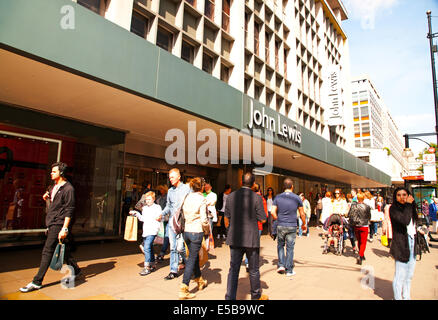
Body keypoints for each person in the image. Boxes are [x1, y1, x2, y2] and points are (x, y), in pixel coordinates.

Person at [20, 162, 81, 293]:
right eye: (51, 171)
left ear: (61, 173)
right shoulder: (54, 186)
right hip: (51, 221)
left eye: (54, 171)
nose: (51, 173)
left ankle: (37, 282)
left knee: (48, 250)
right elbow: (51, 196)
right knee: (62, 247)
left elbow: (69, 209)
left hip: (58, 223)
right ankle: (75, 269)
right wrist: (46, 196)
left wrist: (65, 228)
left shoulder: (68, 189)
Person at [224, 172, 268, 300]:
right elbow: (263, 219)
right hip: (251, 239)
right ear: (253, 184)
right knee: (254, 270)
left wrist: (230, 230)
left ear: (241, 182)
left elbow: (226, 219)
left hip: (235, 238)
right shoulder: (257, 198)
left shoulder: (231, 196)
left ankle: (229, 297)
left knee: (233, 269)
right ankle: (256, 296)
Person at [179, 177, 210, 299]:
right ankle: (184, 288)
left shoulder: (187, 197)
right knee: (192, 259)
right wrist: (207, 230)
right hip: (196, 231)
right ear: (201, 187)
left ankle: (199, 280)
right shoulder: (202, 199)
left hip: (187, 231)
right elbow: (204, 219)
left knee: (194, 256)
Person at [271, 178, 306, 276]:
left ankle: (281, 265)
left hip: (281, 225)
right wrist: (303, 224)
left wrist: (278, 219)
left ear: (283, 186)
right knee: (290, 248)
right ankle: (289, 270)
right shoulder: (297, 198)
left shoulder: (277, 197)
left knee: (280, 245)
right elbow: (302, 213)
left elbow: (273, 212)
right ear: (292, 187)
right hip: (292, 225)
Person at [161, 168, 191, 280]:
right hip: (172, 224)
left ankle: (189, 264)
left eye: (172, 177)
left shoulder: (187, 188)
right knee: (173, 248)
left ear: (179, 177)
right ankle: (173, 271)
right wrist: (161, 214)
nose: (170, 179)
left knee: (180, 248)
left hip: (183, 223)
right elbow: (168, 206)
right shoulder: (170, 191)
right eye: (169, 178)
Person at [389, 187, 418, 300]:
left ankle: (406, 297)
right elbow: (405, 220)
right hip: (401, 244)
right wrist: (409, 205)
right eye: (399, 195)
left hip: (412, 242)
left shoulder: (410, 208)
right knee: (400, 276)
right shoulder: (393, 209)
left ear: (408, 195)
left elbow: (412, 224)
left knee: (409, 275)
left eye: (404, 195)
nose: (402, 197)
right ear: (395, 197)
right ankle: (398, 298)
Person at [129, 191, 162, 276]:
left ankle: (147, 266)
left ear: (153, 199)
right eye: (146, 199)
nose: (147, 201)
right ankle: (152, 264)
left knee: (146, 247)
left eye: (149, 199)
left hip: (152, 230)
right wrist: (136, 213)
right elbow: (142, 219)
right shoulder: (145, 208)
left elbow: (159, 218)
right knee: (149, 247)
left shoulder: (157, 207)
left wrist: (157, 226)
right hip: (146, 231)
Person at [244, 182, 268, 272]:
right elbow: (264, 215)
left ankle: (247, 262)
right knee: (254, 246)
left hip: (246, 224)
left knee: (247, 244)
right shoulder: (262, 199)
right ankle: (252, 263)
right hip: (257, 226)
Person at [347, 192, 371, 265]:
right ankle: (361, 256)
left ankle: (362, 254)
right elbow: (369, 216)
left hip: (356, 225)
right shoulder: (367, 206)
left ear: (357, 198)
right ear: (363, 198)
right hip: (364, 225)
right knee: (363, 242)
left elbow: (350, 215)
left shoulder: (354, 206)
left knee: (359, 240)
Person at [155, 185, 169, 261]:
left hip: (165, 218)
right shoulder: (160, 197)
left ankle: (162, 252)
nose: (160, 190)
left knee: (165, 235)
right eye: (160, 189)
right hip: (161, 218)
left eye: (161, 189)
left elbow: (166, 208)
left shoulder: (167, 197)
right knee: (162, 235)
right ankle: (161, 252)